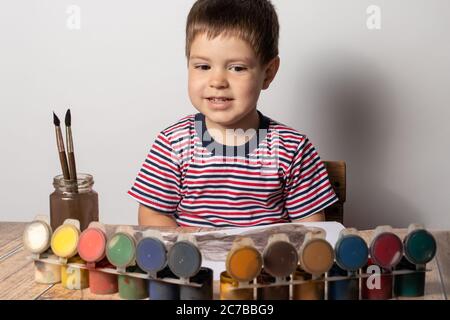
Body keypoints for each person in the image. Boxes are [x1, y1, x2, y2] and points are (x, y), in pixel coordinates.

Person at [128, 0, 338, 227]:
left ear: (267, 74)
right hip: (192, 261)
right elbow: (152, 217)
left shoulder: (292, 149)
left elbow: (312, 229)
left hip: (267, 262)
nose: (217, 81)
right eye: (203, 66)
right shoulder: (173, 144)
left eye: (237, 68)